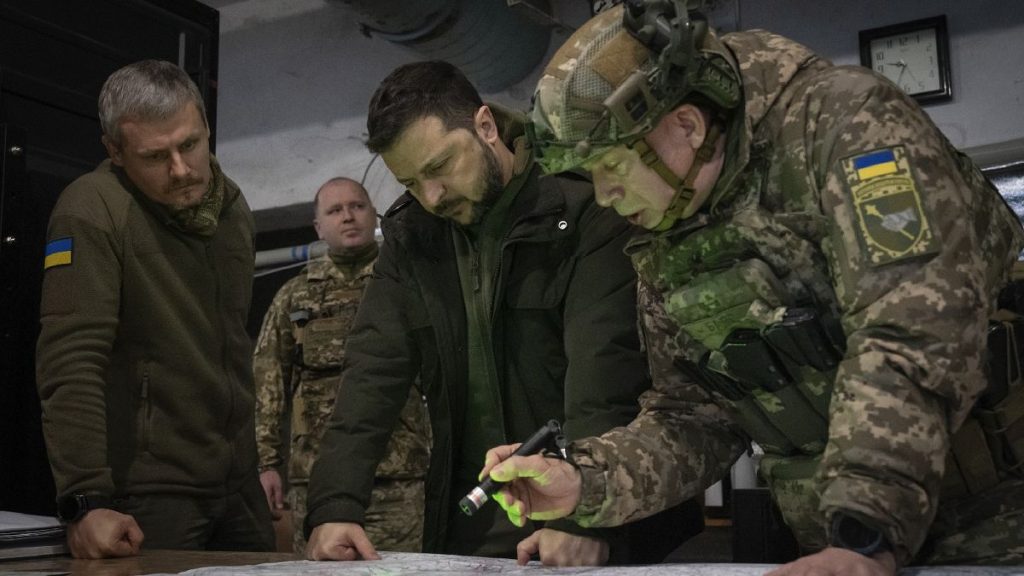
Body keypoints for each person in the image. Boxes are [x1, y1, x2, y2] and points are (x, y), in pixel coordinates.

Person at [479, 2, 1024, 574]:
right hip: (836, 542)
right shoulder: (669, 222)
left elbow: (912, 329)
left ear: (686, 126)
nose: (607, 197)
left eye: (613, 169)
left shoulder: (845, 124)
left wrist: (866, 534)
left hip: (992, 524)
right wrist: (583, 481)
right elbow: (694, 415)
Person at [303, 60, 703, 566]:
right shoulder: (413, 239)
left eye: (439, 167)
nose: (431, 196)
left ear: (486, 126)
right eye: (410, 182)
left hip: (599, 519)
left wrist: (579, 515)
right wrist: (334, 505)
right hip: (473, 522)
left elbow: (604, 372)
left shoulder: (582, 206)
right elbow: (371, 373)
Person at [35, 59, 275, 559]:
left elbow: (233, 346)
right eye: (155, 155)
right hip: (149, 495)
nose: (181, 169)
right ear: (115, 152)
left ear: (207, 129)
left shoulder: (233, 209)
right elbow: (70, 359)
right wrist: (84, 501)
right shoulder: (91, 208)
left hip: (239, 487)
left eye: (190, 144)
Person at [253, 177, 431, 554]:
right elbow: (269, 382)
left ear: (374, 214)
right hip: (317, 479)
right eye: (335, 210)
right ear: (318, 227)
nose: (348, 216)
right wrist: (267, 463)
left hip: (398, 476)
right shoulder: (294, 296)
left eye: (357, 206)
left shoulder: (408, 285)